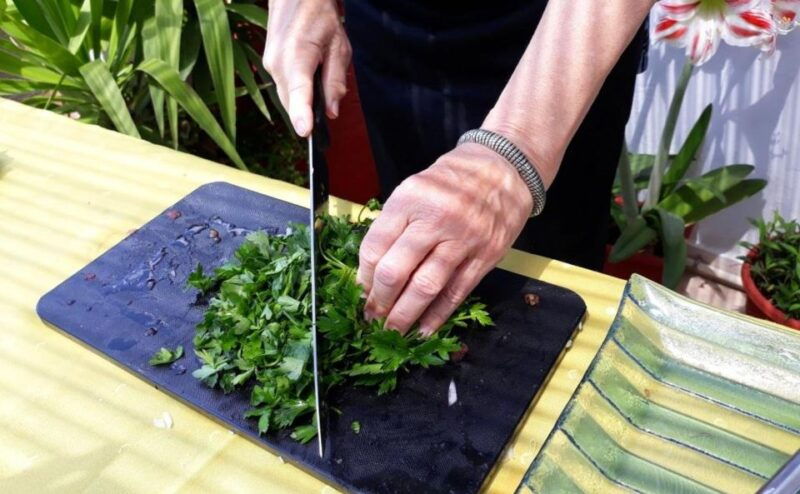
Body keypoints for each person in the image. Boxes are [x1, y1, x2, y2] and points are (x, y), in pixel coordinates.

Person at [263, 0, 653, 336]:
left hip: (559, 40)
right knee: (415, 247)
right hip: (388, 26)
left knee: (541, 304)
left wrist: (518, 145)